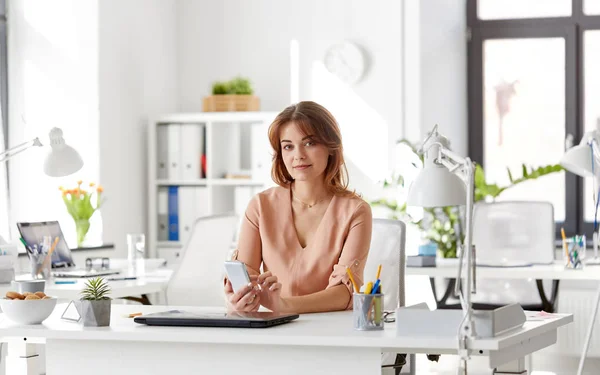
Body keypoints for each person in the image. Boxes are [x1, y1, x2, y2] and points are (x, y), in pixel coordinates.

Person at [224, 101, 373, 314]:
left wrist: (284, 305)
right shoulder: (260, 206)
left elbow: (344, 292)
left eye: (310, 143)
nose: (298, 155)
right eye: (288, 146)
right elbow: (244, 277)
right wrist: (238, 300)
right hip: (274, 330)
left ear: (331, 147)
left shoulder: (356, 211)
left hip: (333, 331)